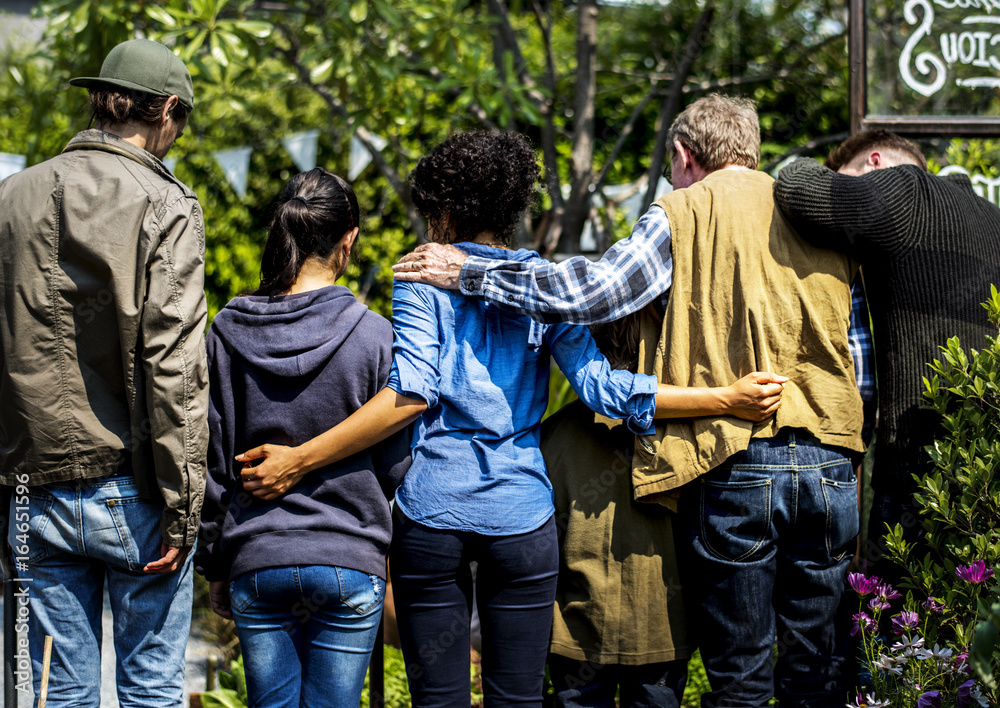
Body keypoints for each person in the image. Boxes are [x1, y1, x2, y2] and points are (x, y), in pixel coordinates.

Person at [235, 131, 786, 708]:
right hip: (522, 517)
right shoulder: (545, 284)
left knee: (438, 700)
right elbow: (606, 392)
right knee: (518, 700)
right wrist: (725, 397)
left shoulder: (420, 275)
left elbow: (414, 388)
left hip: (431, 511)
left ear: (444, 211)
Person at [391, 96, 872, 706]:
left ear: (682, 155)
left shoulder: (682, 210)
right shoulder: (815, 211)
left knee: (743, 675)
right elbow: (857, 353)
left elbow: (598, 291)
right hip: (832, 455)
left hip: (740, 457)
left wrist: (471, 274)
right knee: (817, 669)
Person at [0, 39, 207, 706]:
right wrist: (184, 509)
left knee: (61, 691)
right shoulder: (165, 204)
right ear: (167, 108)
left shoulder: (10, 198)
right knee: (151, 689)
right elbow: (172, 367)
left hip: (30, 488)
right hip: (136, 489)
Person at [195, 168, 410, 708]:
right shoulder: (376, 335)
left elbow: (212, 459)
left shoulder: (225, 331)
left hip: (257, 556)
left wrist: (217, 566)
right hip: (348, 557)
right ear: (349, 239)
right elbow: (397, 466)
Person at [773, 130, 1000, 576]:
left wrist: (813, 169)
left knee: (898, 629)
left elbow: (799, 188)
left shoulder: (905, 190)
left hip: (920, 474)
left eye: (852, 179)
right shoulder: (993, 218)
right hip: (987, 473)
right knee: (969, 629)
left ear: (875, 162)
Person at [541, 316, 691, 708]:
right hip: (662, 632)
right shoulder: (680, 431)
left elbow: (541, 544)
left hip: (575, 634)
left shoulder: (552, 435)